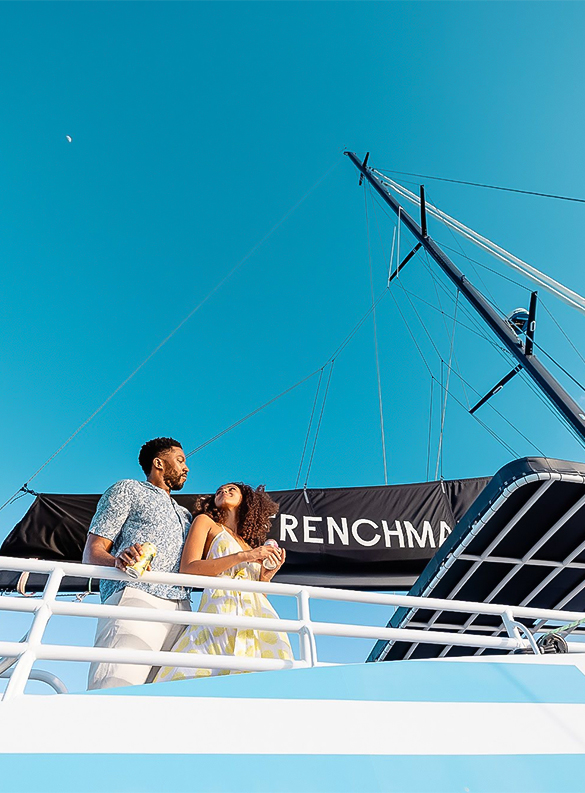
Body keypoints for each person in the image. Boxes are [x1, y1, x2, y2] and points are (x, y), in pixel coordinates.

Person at [82, 437, 192, 689]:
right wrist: (116, 560)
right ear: (159, 463)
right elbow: (92, 552)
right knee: (115, 687)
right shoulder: (128, 489)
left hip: (181, 606)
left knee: (160, 701)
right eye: (180, 460)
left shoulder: (185, 514)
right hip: (135, 596)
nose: (186, 468)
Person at [154, 482, 292, 682]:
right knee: (193, 675)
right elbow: (188, 569)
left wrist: (266, 577)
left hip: (256, 616)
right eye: (219, 491)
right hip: (219, 607)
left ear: (246, 500)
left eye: (230, 490)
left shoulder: (249, 543)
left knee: (262, 680)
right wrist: (244, 556)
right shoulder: (206, 523)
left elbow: (257, 593)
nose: (223, 492)